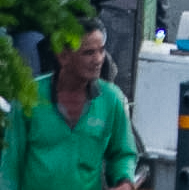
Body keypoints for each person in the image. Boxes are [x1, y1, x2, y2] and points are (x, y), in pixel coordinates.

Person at [0, 20, 137, 190]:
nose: (98, 59)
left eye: (101, 50)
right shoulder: (29, 96)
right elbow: (10, 166)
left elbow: (123, 154)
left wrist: (124, 181)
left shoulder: (112, 99)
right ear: (63, 57)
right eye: (88, 53)